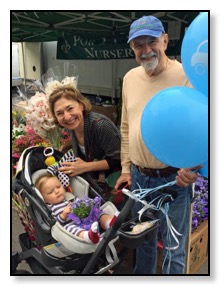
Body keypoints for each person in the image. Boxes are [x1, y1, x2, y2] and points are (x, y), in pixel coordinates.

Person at [115, 15, 201, 274]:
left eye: (151, 41)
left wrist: (194, 167)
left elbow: (205, 127)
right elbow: (126, 126)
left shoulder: (188, 75)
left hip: (175, 180)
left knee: (174, 248)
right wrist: (126, 169)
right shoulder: (130, 78)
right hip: (140, 179)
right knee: (144, 243)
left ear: (165, 40)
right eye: (138, 45)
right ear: (132, 50)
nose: (146, 50)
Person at [48, 86, 121, 185]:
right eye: (60, 113)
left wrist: (85, 166)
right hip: (92, 182)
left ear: (81, 105)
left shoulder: (101, 125)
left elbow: (118, 159)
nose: (67, 116)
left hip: (113, 183)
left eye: (70, 108)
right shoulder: (71, 126)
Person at [35, 173, 119, 244]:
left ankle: (109, 223)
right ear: (44, 199)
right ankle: (89, 236)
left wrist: (89, 204)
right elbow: (55, 225)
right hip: (73, 225)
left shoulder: (70, 198)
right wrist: (63, 214)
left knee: (99, 212)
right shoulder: (51, 208)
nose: (57, 191)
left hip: (87, 219)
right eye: (50, 192)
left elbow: (82, 202)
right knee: (69, 228)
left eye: (58, 187)